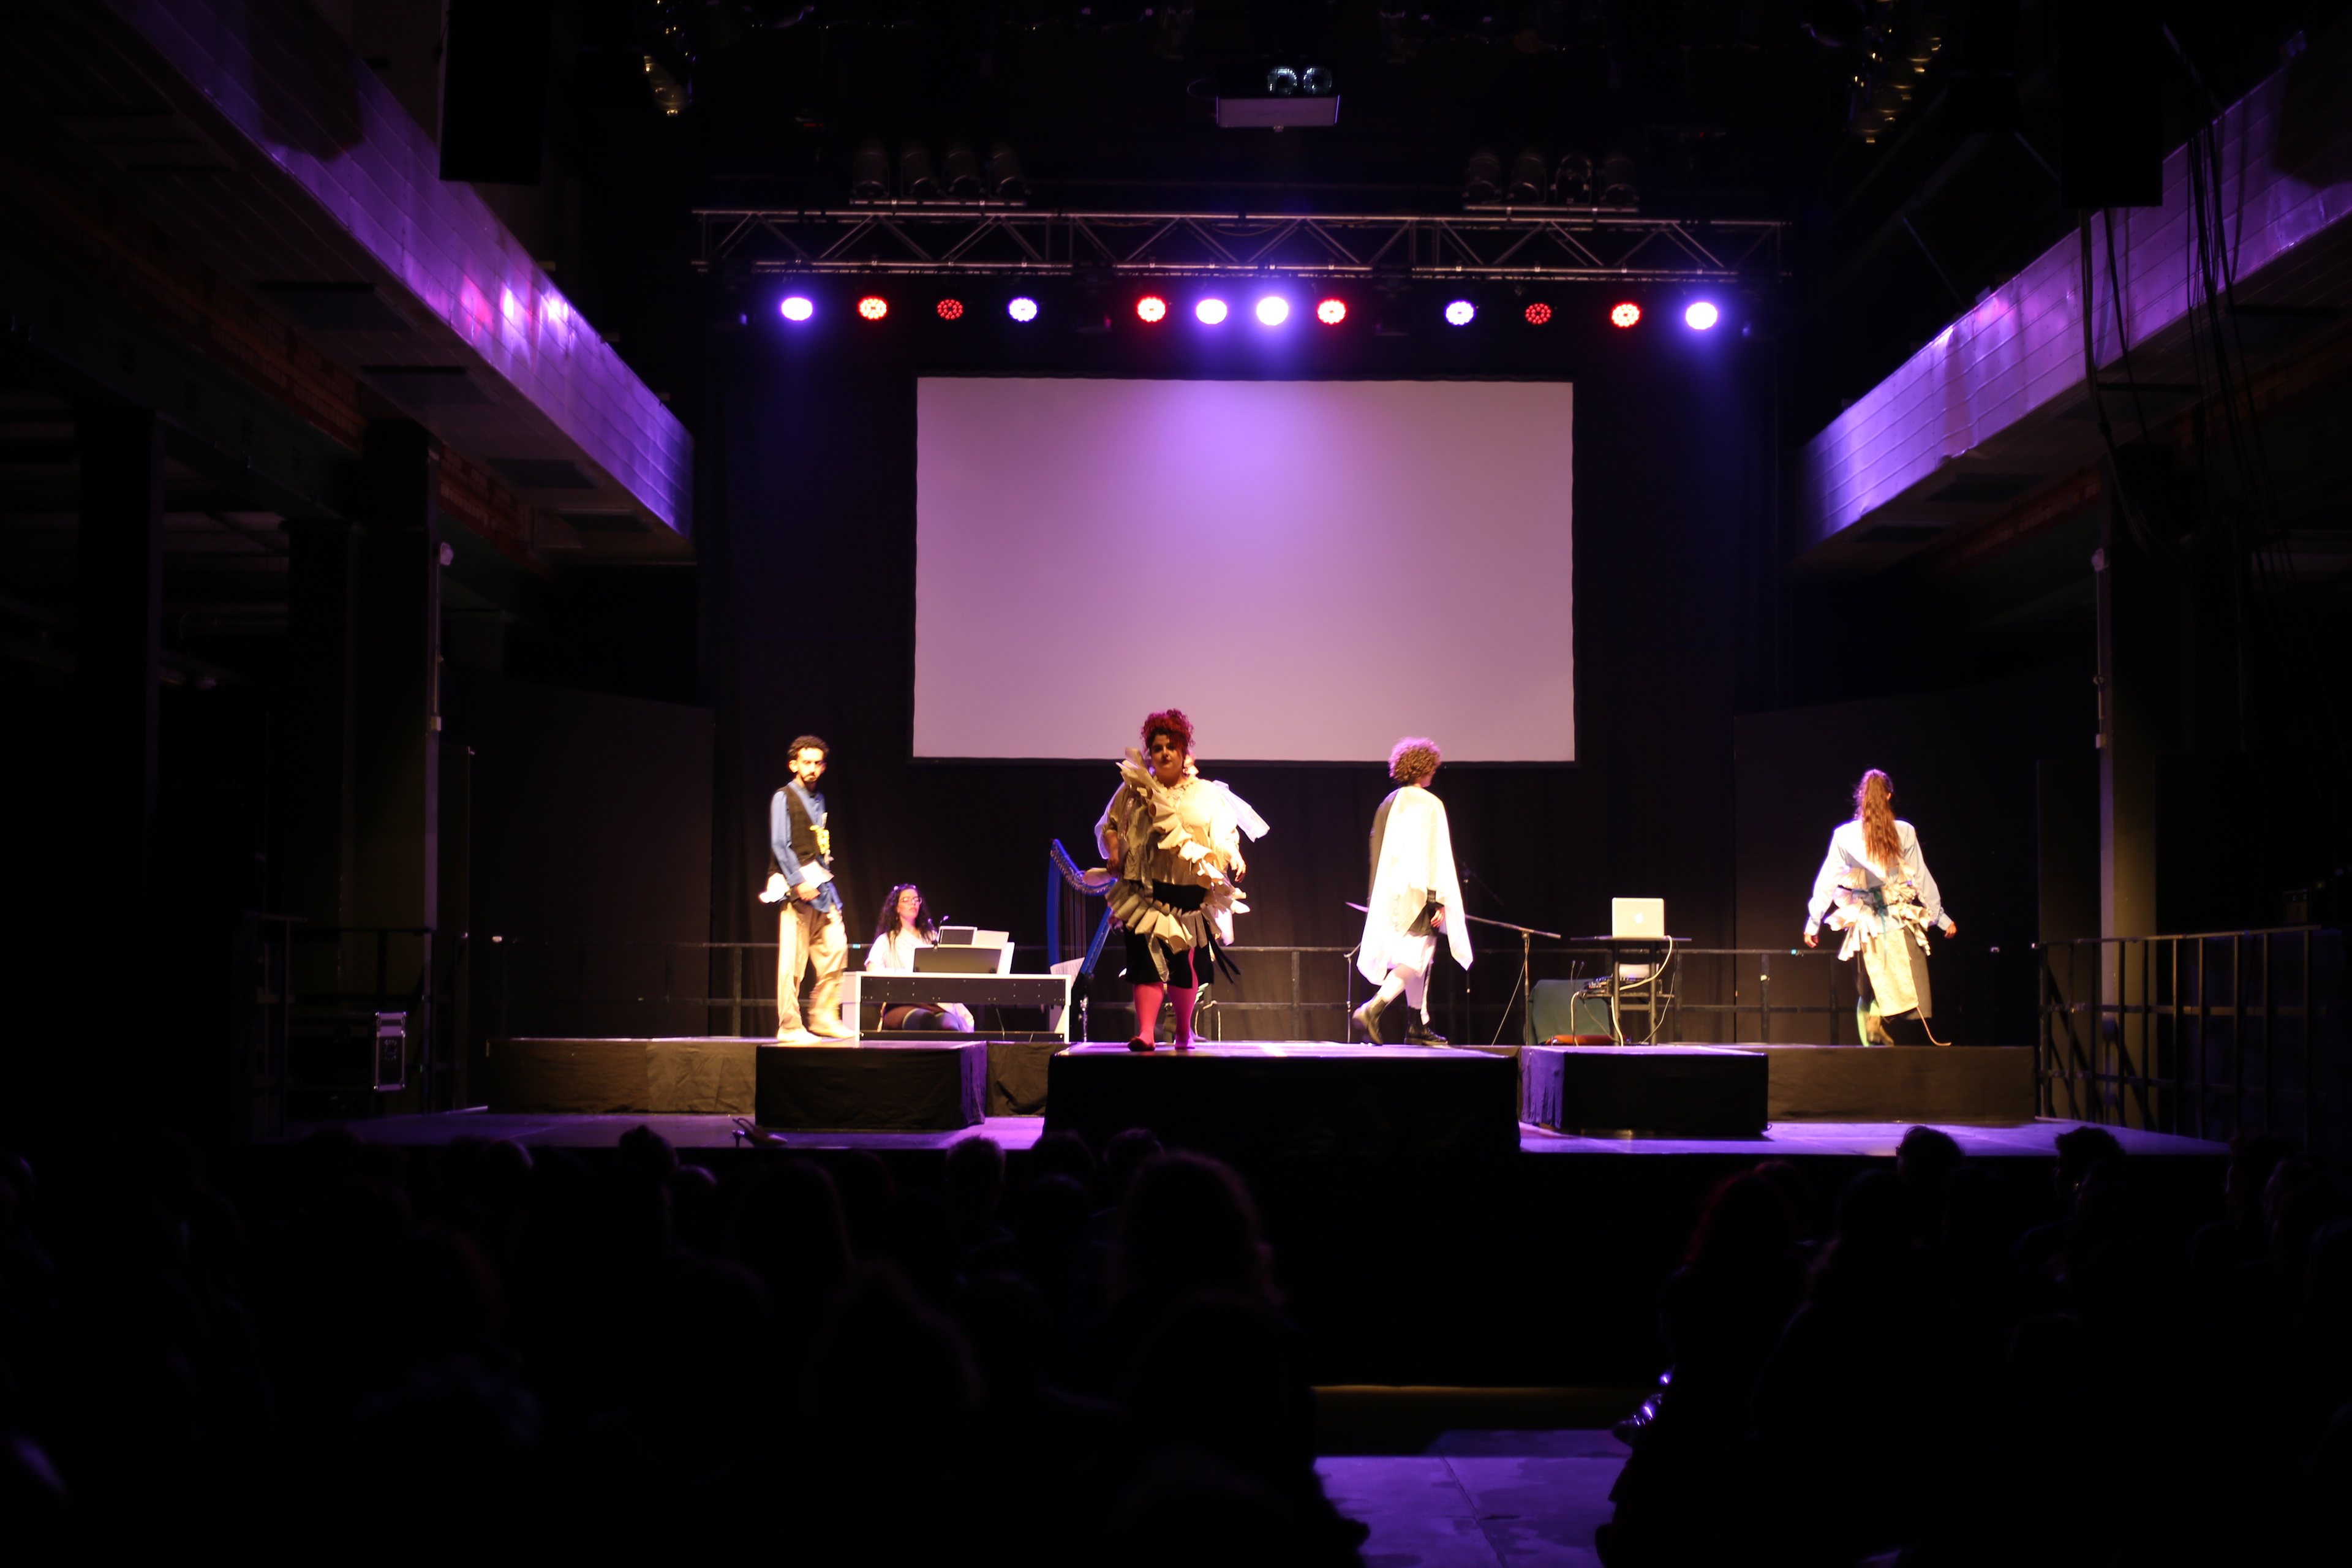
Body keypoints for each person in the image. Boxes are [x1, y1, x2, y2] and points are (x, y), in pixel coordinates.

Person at [1095, 709, 1246, 1054]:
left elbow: (1223, 835)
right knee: (1144, 962)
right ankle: (1146, 1033)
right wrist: (1115, 849)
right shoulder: (1133, 791)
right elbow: (1112, 825)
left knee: (1183, 965)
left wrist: (1234, 856)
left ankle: (1183, 1031)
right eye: (1158, 748)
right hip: (1143, 888)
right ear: (1149, 753)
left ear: (1183, 752)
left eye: (1171, 747)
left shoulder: (1205, 793)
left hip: (1188, 892)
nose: (1164, 753)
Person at [1802, 768, 1956, 1046]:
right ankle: (1876, 1025)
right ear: (1888, 796)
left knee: (1871, 987)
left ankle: (1870, 1045)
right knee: (1904, 981)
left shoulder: (1844, 835)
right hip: (1895, 918)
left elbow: (1827, 882)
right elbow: (1920, 877)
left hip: (1865, 924)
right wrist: (1941, 918)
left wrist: (1814, 923)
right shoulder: (1904, 831)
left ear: (1861, 797)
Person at [1352, 736, 1471, 1046]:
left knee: (1418, 958)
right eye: (1433, 767)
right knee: (1417, 958)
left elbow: (1377, 852)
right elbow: (1433, 855)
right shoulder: (1430, 804)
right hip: (1418, 896)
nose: (1435, 772)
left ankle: (1417, 1025)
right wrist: (1435, 901)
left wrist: (1376, 898)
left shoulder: (1388, 803)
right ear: (1425, 768)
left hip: (1391, 896)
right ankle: (1373, 1009)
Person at [763, 734, 854, 1042]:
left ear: (824, 767)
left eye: (817, 763)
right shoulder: (784, 797)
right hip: (798, 887)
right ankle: (790, 1026)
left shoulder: (819, 800)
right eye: (806, 762)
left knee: (837, 949)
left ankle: (824, 1016)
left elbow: (819, 845)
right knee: (793, 961)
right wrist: (798, 881)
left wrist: (827, 888)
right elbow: (780, 843)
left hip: (822, 886)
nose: (812, 768)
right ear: (794, 765)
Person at [864, 883, 975, 1032]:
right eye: (906, 900)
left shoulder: (932, 937)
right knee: (925, 1020)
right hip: (902, 1001)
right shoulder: (886, 940)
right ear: (896, 908)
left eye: (916, 899)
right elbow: (872, 971)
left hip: (935, 1001)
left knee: (950, 1025)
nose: (913, 903)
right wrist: (906, 973)